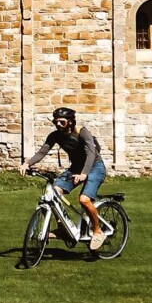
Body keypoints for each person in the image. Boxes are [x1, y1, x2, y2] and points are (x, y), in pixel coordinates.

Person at [19, 107, 109, 251]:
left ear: (70, 122)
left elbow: (91, 153)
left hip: (94, 167)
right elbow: (43, 151)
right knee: (53, 192)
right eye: (56, 122)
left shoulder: (82, 132)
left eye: (62, 122)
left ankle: (97, 231)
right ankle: (62, 228)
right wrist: (27, 163)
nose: (58, 125)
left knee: (84, 200)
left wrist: (84, 173)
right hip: (76, 168)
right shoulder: (55, 135)